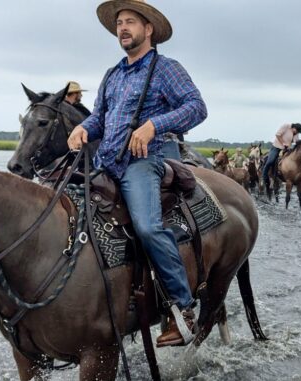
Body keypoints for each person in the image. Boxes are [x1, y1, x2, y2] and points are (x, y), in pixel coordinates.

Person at [67, 0, 207, 347]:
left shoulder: (166, 69)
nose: (123, 28)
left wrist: (153, 125)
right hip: (107, 162)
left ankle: (183, 307)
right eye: (119, 24)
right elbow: (99, 116)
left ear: (149, 30)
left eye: (130, 22)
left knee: (146, 226)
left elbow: (197, 107)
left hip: (146, 161)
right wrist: (82, 127)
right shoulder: (112, 74)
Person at [262, 123, 301, 199]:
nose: (297, 133)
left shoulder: (296, 133)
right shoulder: (286, 126)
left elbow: (296, 141)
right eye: (297, 131)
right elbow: (278, 135)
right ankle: (264, 177)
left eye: (298, 132)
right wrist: (284, 143)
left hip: (287, 149)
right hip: (277, 147)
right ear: (294, 128)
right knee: (270, 161)